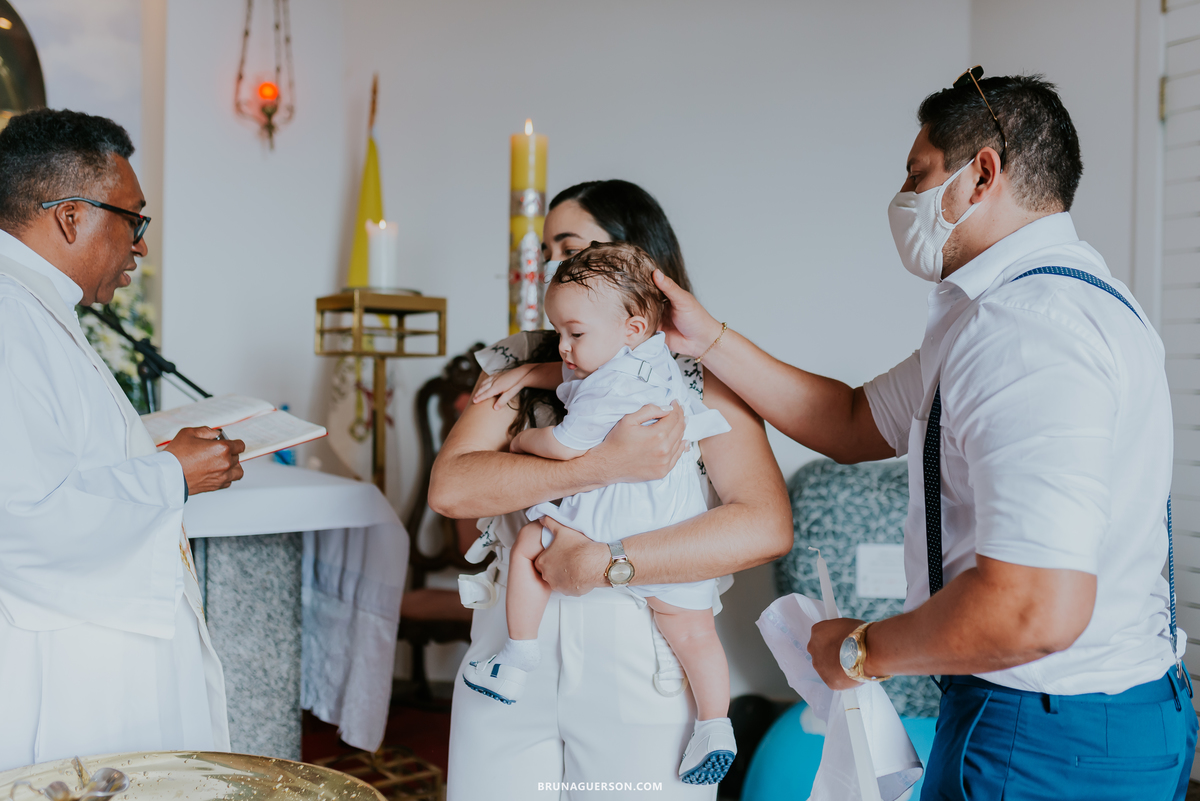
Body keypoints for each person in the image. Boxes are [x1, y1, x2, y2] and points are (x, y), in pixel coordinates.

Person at [651, 71, 1199, 799]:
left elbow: (1034, 607)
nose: (903, 199)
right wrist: (709, 338)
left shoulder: (1025, 333)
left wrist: (863, 649)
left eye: (918, 175)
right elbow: (852, 422)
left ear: (982, 175)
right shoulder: (1039, 302)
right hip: (1110, 708)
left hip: (1043, 732)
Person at [430, 180, 793, 800]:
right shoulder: (525, 361)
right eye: (547, 250)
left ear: (635, 266)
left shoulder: (699, 375)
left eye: (569, 246)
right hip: (510, 650)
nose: (553, 263)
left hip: (638, 648)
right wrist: (601, 464)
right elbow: (453, 488)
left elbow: (764, 525)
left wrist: (609, 562)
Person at [0, 108, 244, 771]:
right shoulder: (10, 315)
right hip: (73, 666)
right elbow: (21, 516)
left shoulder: (35, 306)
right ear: (71, 216)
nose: (141, 246)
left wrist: (150, 452)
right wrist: (175, 475)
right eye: (133, 221)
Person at [463, 243, 737, 785]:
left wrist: (521, 443)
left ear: (632, 326)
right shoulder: (654, 357)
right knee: (696, 634)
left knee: (530, 549)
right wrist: (526, 375)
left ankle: (517, 656)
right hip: (667, 525)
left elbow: (565, 445)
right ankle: (715, 725)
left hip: (608, 519)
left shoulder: (607, 391)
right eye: (558, 333)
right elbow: (574, 373)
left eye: (575, 334)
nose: (564, 346)